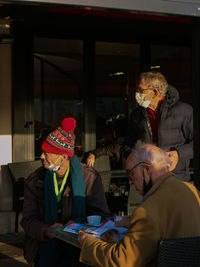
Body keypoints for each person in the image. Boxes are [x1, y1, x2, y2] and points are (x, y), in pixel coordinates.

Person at [78, 144, 200, 267]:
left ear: (147, 169)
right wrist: (135, 222)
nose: (130, 182)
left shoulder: (148, 209)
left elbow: (122, 261)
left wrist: (88, 243)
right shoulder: (191, 190)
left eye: (131, 175)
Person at [21, 117, 110, 267]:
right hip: (46, 241)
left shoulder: (89, 177)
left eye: (46, 153)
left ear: (63, 156)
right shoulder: (35, 180)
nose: (41, 156)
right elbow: (28, 220)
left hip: (79, 241)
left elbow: (102, 215)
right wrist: (47, 230)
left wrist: (79, 225)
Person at [122, 71, 193, 181]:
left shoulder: (184, 111)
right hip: (147, 180)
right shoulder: (137, 114)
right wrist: (136, 159)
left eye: (141, 90)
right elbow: (128, 144)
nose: (137, 93)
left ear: (155, 92)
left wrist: (178, 154)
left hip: (176, 178)